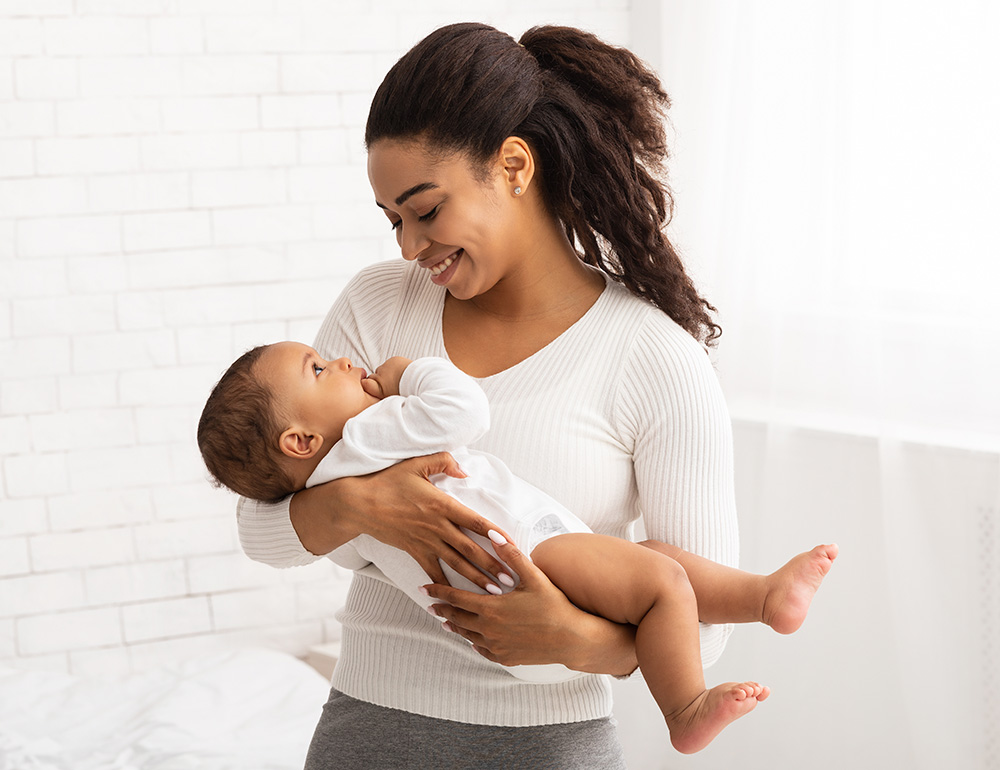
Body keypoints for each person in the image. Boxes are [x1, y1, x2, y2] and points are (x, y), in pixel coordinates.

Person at [234, 21, 799, 769]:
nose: (406, 246)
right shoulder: (377, 309)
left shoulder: (654, 358)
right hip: (370, 727)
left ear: (513, 166)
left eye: (426, 210)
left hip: (552, 744)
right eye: (393, 219)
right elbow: (262, 521)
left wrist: (573, 638)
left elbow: (702, 626)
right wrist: (361, 506)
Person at [200, 343, 837, 753]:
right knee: (665, 581)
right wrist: (407, 374)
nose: (342, 361)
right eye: (319, 368)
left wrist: (575, 639)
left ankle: (759, 597)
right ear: (299, 442)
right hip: (533, 557)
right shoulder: (372, 429)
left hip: (509, 610)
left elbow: (323, 544)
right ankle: (686, 705)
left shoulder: (334, 475)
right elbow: (462, 409)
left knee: (661, 559)